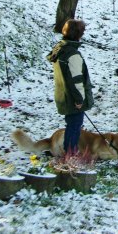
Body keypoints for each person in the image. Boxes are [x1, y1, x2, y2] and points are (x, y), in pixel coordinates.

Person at [46, 19, 94, 155]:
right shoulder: (73, 55)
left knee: (71, 125)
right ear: (78, 34)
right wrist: (79, 99)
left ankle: (69, 152)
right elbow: (76, 79)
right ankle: (71, 154)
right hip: (72, 97)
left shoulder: (61, 49)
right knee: (74, 126)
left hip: (63, 94)